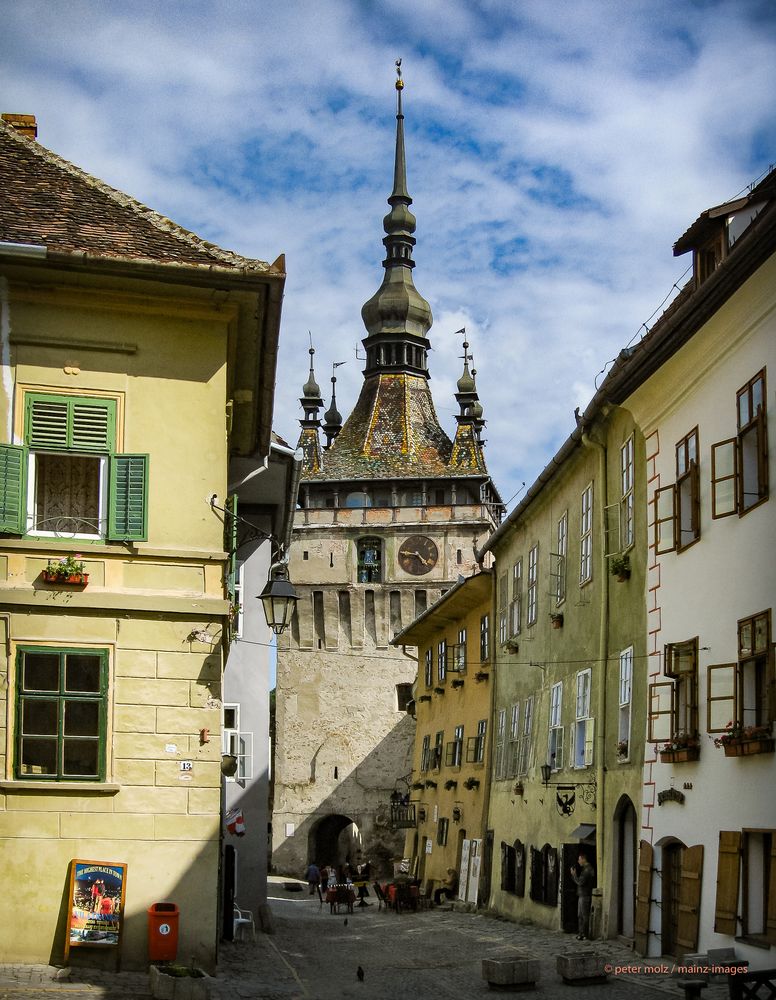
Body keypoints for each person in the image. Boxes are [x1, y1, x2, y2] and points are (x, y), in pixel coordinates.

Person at [569, 852, 595, 939]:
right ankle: (581, 933)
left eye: (579, 859)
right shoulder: (585, 869)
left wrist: (574, 875)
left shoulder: (587, 870)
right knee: (580, 916)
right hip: (582, 895)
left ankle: (585, 934)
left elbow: (580, 882)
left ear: (584, 859)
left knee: (584, 916)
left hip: (585, 895)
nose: (578, 861)